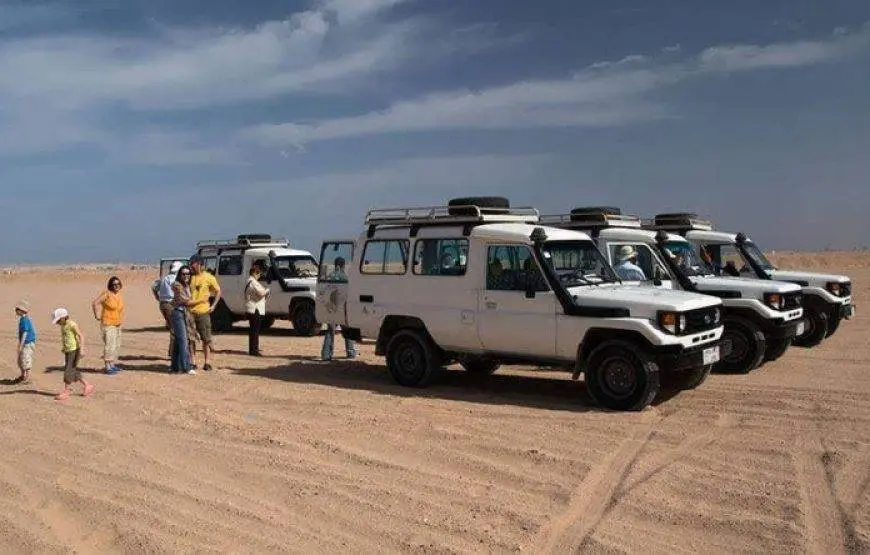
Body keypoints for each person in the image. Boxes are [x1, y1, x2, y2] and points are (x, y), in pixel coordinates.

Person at [51, 308, 94, 401]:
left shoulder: (72, 324)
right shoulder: (63, 325)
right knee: (72, 370)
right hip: (68, 350)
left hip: (74, 350)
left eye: (58, 320)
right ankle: (87, 385)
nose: (57, 322)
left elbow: (81, 336)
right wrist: (64, 348)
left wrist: (82, 349)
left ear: (63, 318)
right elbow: (66, 338)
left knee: (68, 370)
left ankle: (66, 391)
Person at [321, 257, 358, 361]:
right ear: (343, 265)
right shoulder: (345, 277)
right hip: (342, 308)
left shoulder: (330, 276)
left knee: (330, 331)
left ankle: (326, 354)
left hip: (331, 307)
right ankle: (350, 352)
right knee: (347, 330)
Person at [189, 255, 221, 371]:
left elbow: (218, 291)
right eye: (191, 263)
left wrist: (213, 306)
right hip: (190, 313)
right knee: (191, 339)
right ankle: (192, 362)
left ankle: (207, 362)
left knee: (206, 339)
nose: (191, 265)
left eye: (193, 263)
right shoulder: (189, 278)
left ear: (199, 264)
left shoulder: (209, 277)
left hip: (203, 312)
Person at [92, 276, 124, 375]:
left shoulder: (118, 294)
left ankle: (112, 364)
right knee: (109, 345)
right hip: (108, 323)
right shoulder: (106, 294)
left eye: (118, 284)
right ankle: (107, 366)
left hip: (117, 324)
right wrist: (97, 316)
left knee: (116, 345)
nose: (116, 286)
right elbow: (95, 303)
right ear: (110, 285)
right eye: (114, 284)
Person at [153, 261, 183, 359]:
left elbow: (154, 287)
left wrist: (158, 297)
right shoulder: (175, 280)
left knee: (172, 327)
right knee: (175, 328)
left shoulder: (164, 278)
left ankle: (173, 351)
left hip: (163, 304)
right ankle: (173, 352)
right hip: (171, 304)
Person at [170, 266, 197, 374]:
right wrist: (201, 301)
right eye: (184, 274)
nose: (186, 276)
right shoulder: (177, 285)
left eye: (188, 274)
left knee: (178, 341)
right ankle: (187, 366)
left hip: (185, 314)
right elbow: (186, 301)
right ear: (179, 275)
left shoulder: (187, 286)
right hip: (178, 313)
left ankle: (175, 366)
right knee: (183, 340)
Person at [245, 264, 270, 356]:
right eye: (259, 274)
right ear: (255, 273)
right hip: (255, 309)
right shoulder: (253, 282)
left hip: (252, 308)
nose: (259, 276)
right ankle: (254, 350)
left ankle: (253, 349)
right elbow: (261, 292)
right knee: (255, 331)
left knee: (253, 330)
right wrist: (267, 290)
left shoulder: (249, 281)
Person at [15, 300, 37, 385]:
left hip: (27, 343)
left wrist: (21, 345)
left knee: (26, 359)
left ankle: (27, 378)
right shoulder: (23, 319)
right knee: (21, 360)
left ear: (21, 310)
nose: (16, 311)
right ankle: (22, 375)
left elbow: (25, 332)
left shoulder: (24, 320)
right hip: (25, 342)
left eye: (17, 309)